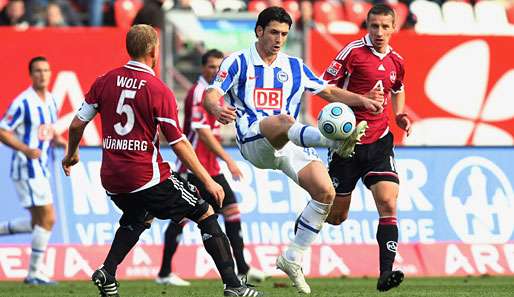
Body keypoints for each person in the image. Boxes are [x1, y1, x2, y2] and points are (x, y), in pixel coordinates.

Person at [61, 24, 262, 297]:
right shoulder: (158, 89)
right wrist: (207, 180)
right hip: (146, 175)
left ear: (129, 48)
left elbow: (76, 125)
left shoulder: (104, 80)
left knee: (139, 215)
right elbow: (178, 143)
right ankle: (234, 285)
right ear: (154, 50)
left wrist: (72, 153)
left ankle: (107, 272)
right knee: (204, 212)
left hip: (111, 176)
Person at [203, 6, 384, 294]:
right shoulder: (237, 62)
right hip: (255, 140)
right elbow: (211, 93)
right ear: (259, 31)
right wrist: (216, 108)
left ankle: (293, 257)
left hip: (290, 141)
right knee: (285, 120)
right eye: (273, 32)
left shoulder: (294, 66)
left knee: (326, 192)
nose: (279, 39)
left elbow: (328, 91)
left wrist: (362, 100)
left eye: (284, 34)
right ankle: (334, 142)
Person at [156, 49, 267, 286]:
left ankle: (242, 268)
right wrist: (228, 158)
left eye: (219, 67)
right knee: (182, 218)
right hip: (193, 167)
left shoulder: (215, 94)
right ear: (202, 68)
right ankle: (165, 272)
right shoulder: (198, 93)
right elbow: (202, 132)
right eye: (210, 66)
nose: (215, 71)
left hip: (210, 168)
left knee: (231, 210)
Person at [321, 4, 412, 292]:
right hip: (347, 145)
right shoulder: (352, 53)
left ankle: (386, 272)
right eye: (374, 26)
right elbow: (325, 89)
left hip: (379, 141)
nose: (379, 32)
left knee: (388, 202)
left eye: (385, 27)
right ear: (367, 26)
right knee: (336, 218)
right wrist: (360, 99)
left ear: (394, 28)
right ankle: (311, 213)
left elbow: (397, 89)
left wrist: (399, 115)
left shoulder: (397, 60)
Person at [0, 56, 65, 285]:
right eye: (38, 71)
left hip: (42, 166)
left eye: (46, 70)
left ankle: (34, 272)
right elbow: (3, 130)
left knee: (39, 222)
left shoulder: (52, 100)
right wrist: (25, 149)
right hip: (26, 168)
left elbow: (47, 129)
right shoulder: (23, 102)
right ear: (31, 75)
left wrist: (59, 140)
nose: (43, 74)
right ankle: (34, 273)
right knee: (48, 218)